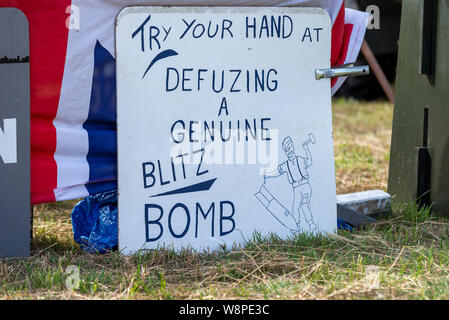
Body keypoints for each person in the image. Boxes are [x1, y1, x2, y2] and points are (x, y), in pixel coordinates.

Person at [264, 136, 318, 233]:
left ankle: (299, 226)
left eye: (289, 148)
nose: (289, 151)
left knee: (297, 207)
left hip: (304, 186)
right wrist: (267, 175)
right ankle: (310, 225)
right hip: (296, 188)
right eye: (286, 150)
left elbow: (309, 161)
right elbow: (277, 172)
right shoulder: (285, 165)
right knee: (301, 206)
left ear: (293, 147)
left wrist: (306, 148)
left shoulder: (300, 160)